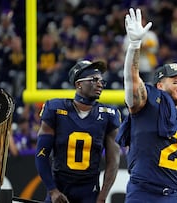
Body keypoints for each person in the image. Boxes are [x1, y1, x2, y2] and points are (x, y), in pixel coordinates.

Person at [116, 8, 177, 203]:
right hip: (142, 193)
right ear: (159, 85)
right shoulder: (147, 103)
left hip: (172, 196)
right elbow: (132, 81)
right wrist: (134, 45)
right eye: (175, 80)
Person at [35, 60, 121, 203]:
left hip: (89, 192)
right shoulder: (55, 109)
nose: (100, 84)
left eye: (101, 80)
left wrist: (103, 195)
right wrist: (53, 190)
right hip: (59, 189)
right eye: (94, 79)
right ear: (78, 84)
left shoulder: (108, 114)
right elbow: (41, 154)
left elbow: (113, 161)